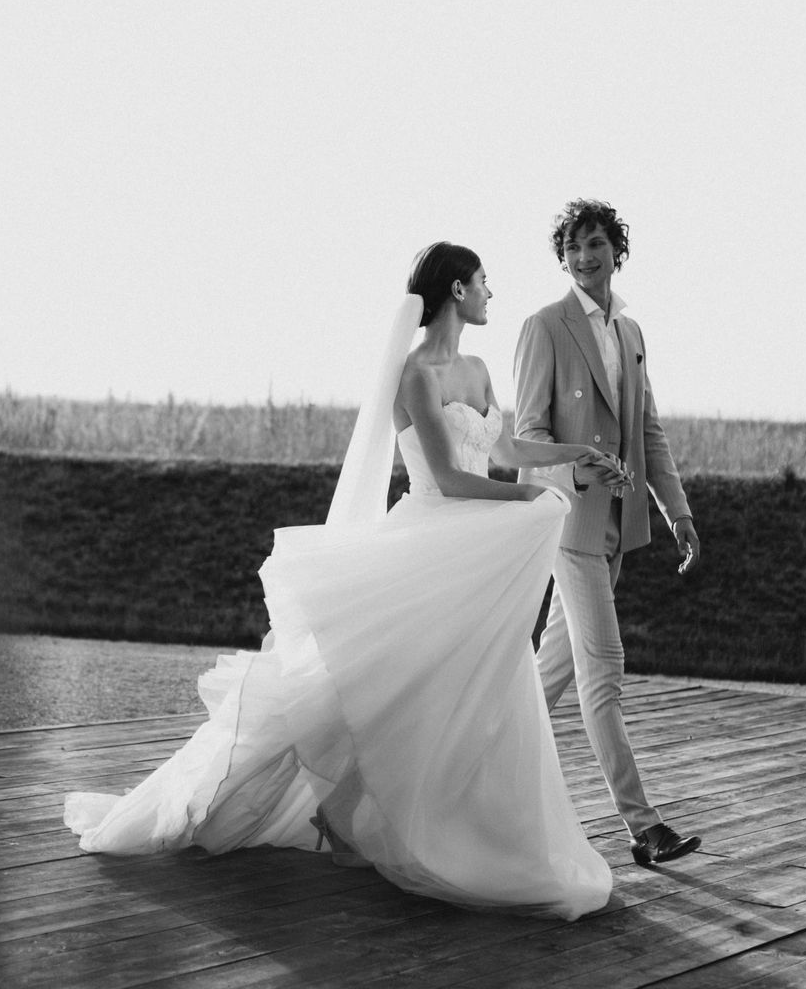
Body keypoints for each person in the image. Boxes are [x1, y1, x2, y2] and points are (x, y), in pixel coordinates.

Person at [65, 241, 624, 919]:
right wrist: (530, 500)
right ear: (455, 291)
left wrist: (574, 456)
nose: (489, 294)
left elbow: (504, 450)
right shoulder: (416, 374)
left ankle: (470, 829)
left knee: (471, 690)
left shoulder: (477, 370)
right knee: (369, 693)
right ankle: (319, 811)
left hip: (469, 550)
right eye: (482, 283)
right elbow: (447, 478)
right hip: (427, 541)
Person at [513, 198, 704, 867]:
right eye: (573, 248)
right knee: (606, 670)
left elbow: (647, 431)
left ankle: (467, 773)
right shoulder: (544, 327)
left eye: (596, 244)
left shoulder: (632, 333)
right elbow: (526, 434)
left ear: (616, 250)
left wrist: (676, 512)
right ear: (562, 258)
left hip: (616, 529)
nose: (585, 257)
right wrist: (579, 461)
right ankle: (644, 827)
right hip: (569, 519)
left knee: (547, 681)